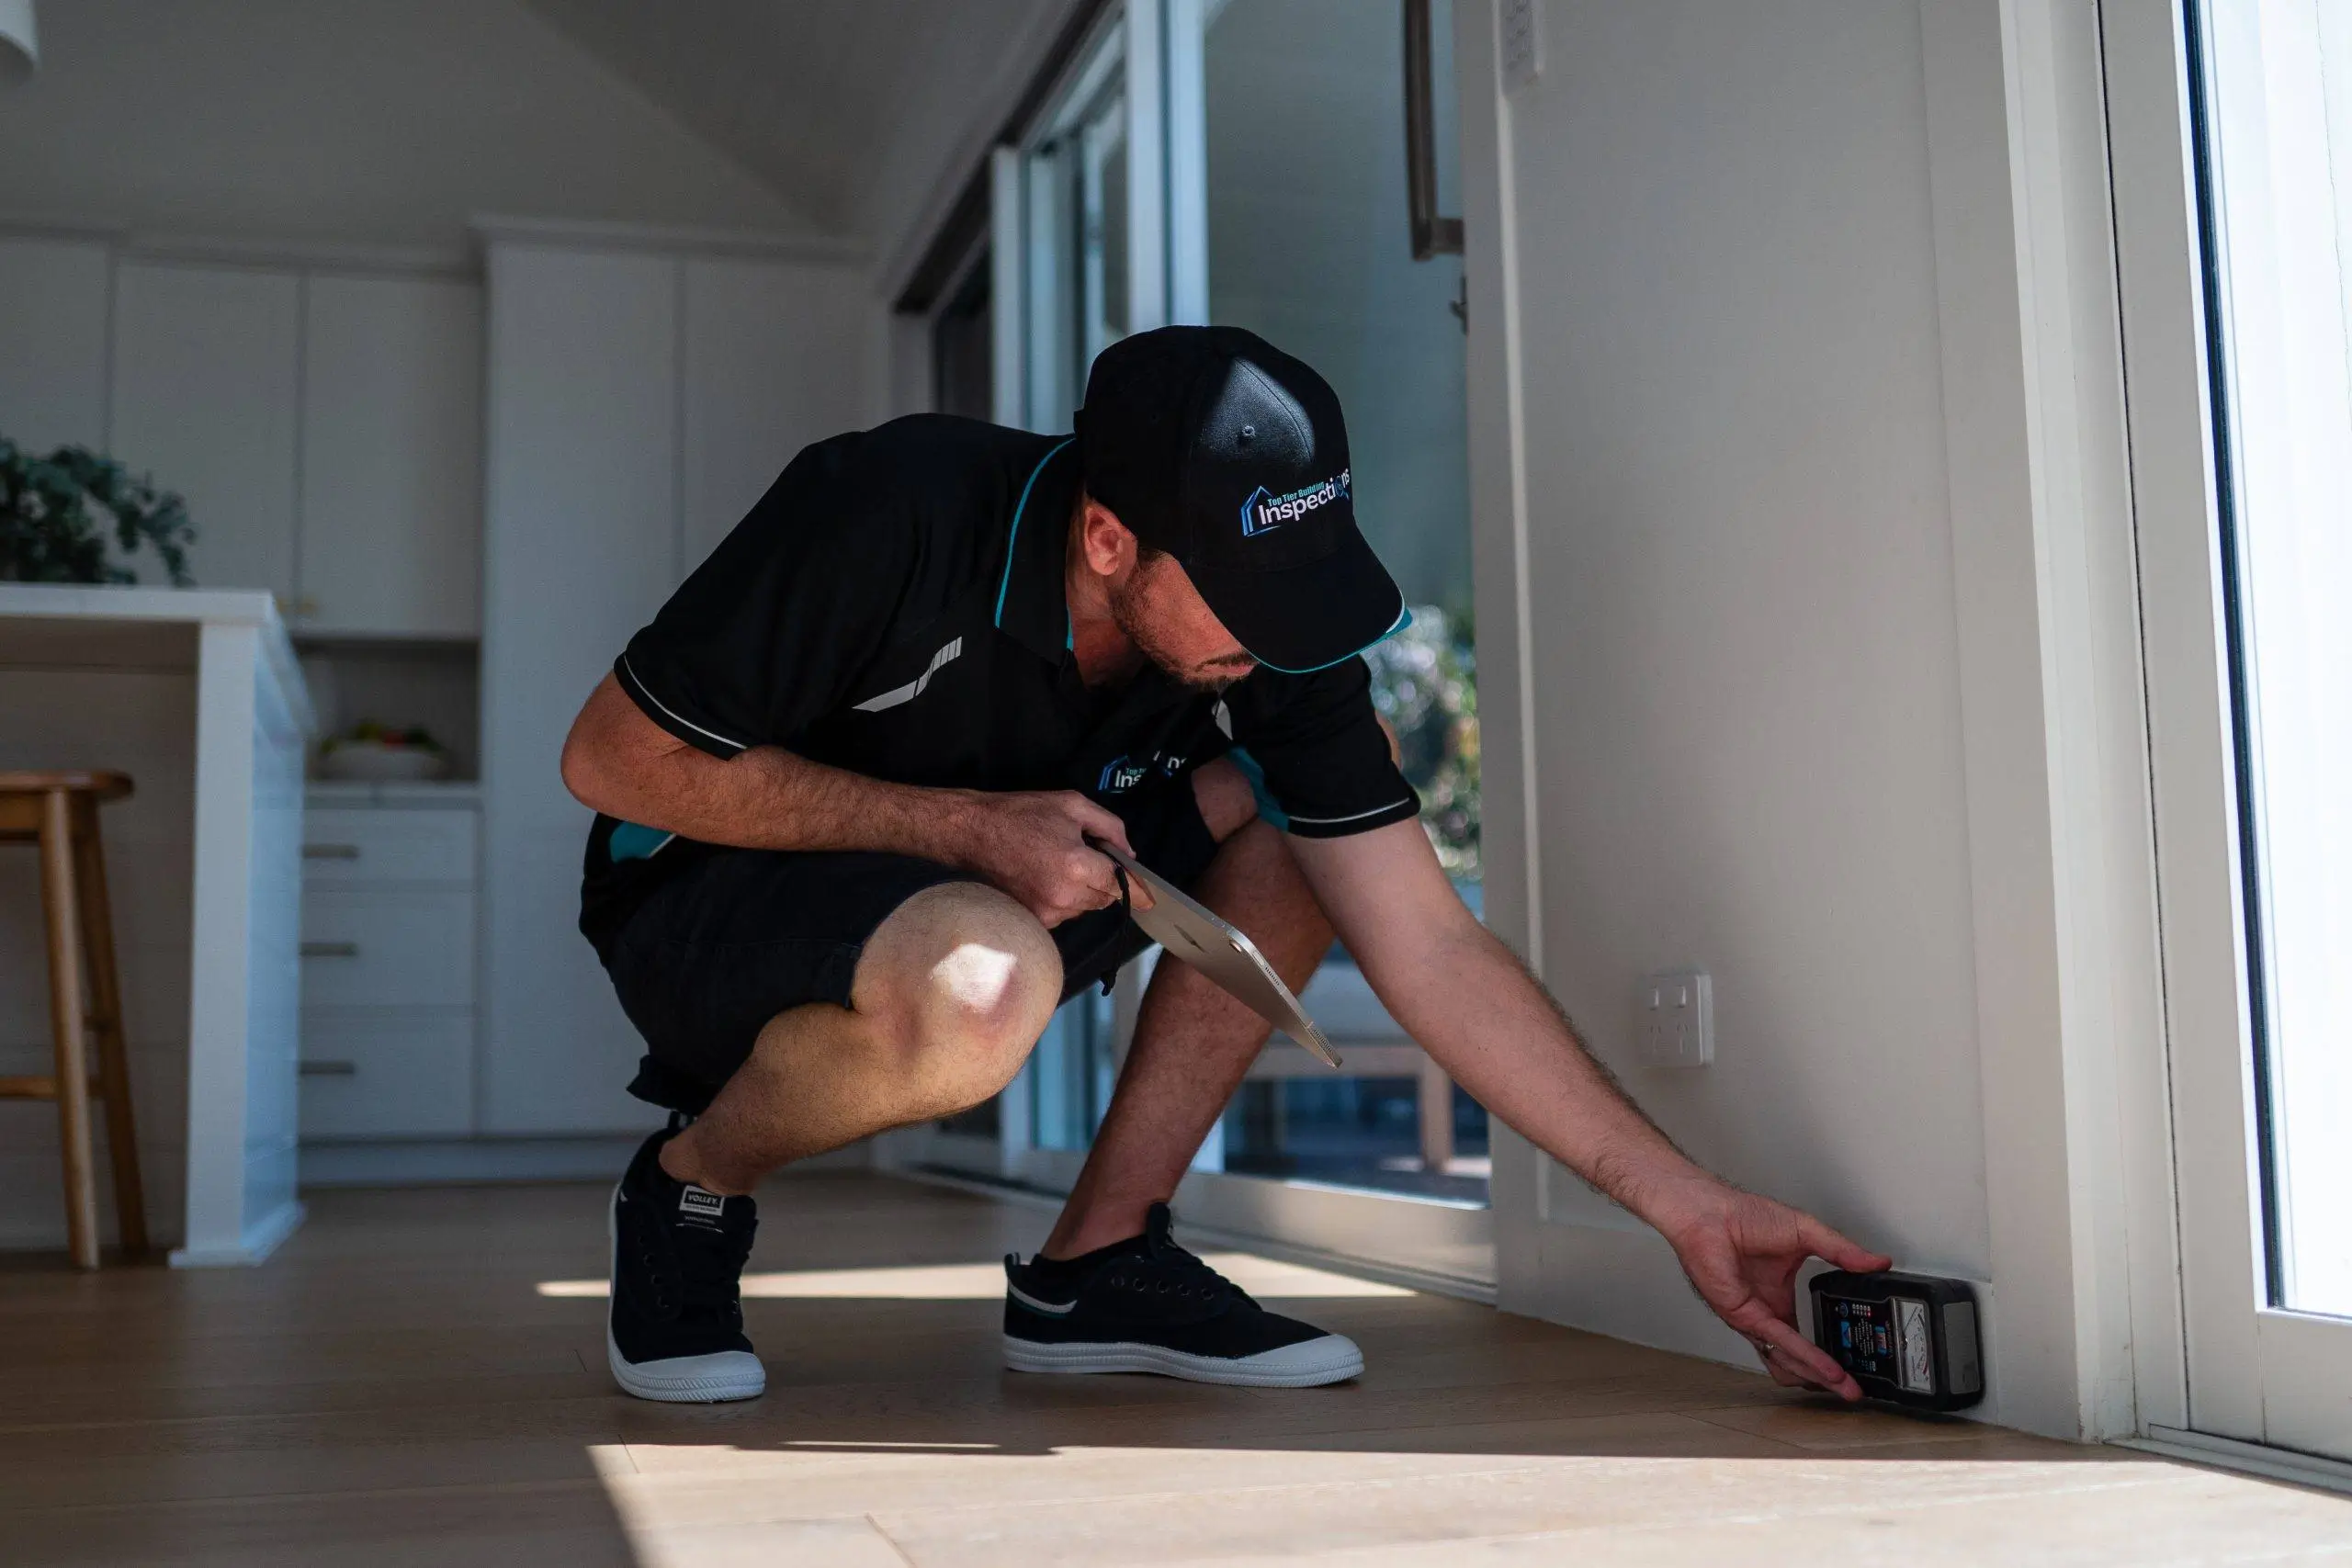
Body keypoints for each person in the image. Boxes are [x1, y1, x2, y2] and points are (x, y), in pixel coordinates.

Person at [560, 325, 1889, 1404]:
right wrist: (964, 826)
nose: (1281, 632)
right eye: (1247, 598)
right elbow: (611, 759)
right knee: (981, 984)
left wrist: (1686, 1203)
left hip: (1022, 872)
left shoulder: (1274, 635)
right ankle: (692, 1186)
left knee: (1316, 829)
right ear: (1107, 541)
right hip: (703, 884)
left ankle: (1097, 1264)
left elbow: (1428, 941)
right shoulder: (887, 505)